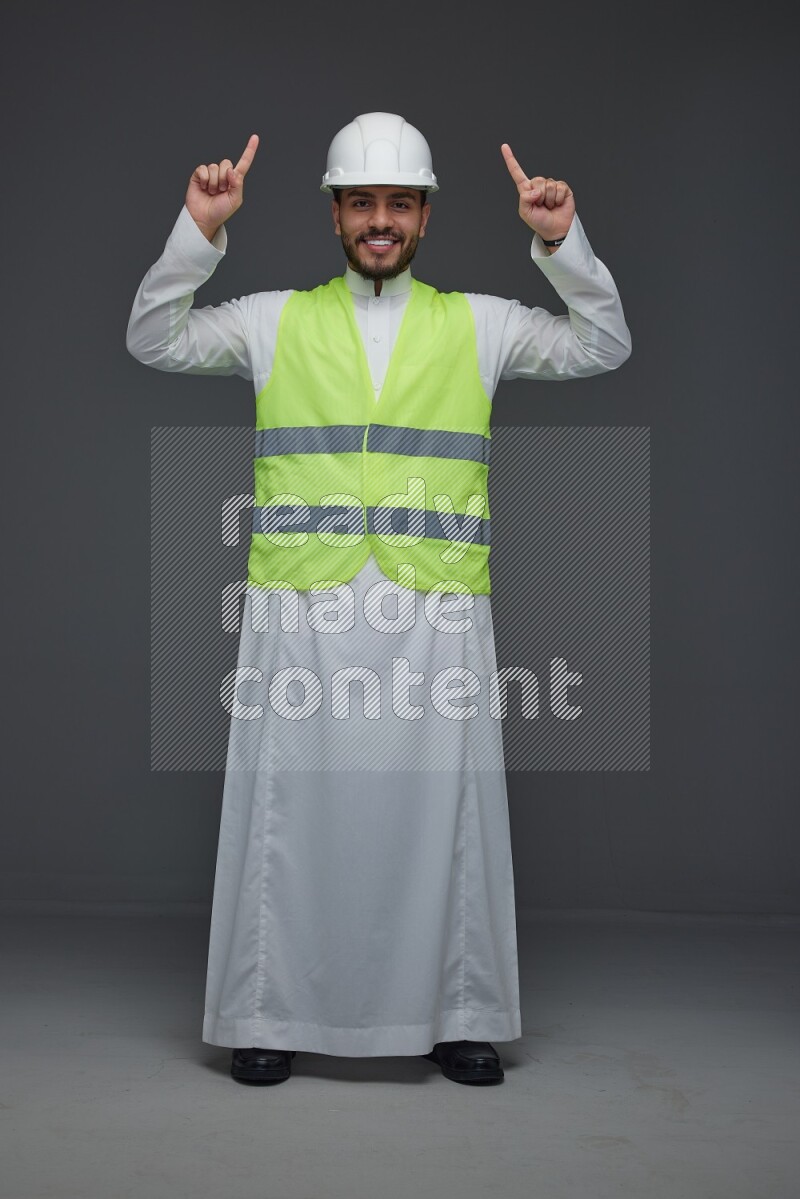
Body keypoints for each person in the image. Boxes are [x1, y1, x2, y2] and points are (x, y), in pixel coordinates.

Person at [126, 112, 631, 1088]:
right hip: (298, 602)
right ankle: (264, 1010)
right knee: (287, 808)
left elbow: (601, 344)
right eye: (361, 201)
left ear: (426, 216)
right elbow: (153, 337)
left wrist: (560, 242)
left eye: (399, 202)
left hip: (434, 606)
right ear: (334, 213)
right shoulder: (271, 318)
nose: (380, 219)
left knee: (445, 813)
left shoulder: (481, 323)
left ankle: (459, 1013)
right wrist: (198, 229)